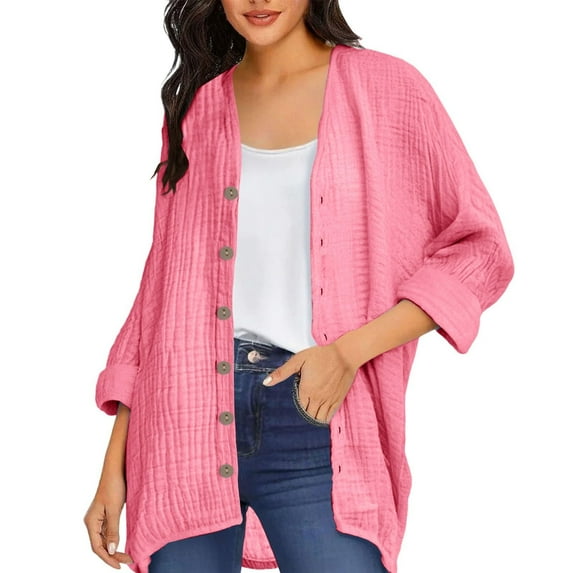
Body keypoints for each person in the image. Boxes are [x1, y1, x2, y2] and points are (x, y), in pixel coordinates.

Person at [84, 1, 515, 572]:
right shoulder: (196, 110)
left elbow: (480, 249)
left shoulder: (388, 89)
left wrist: (347, 353)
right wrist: (114, 465)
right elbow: (160, 294)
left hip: (316, 418)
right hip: (180, 427)